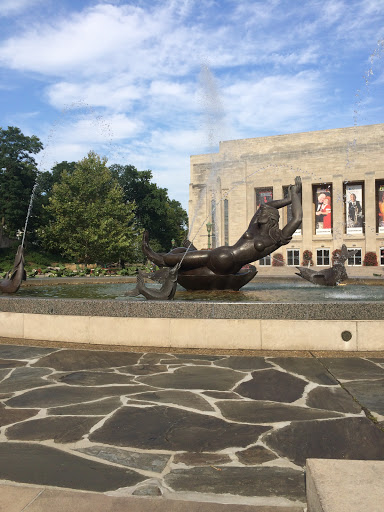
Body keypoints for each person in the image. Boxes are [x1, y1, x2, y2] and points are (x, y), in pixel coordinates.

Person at [143, 177, 302, 275]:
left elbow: (297, 218)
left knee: (180, 258)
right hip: (227, 263)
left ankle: (157, 257)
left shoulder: (276, 238)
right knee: (182, 256)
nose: (260, 214)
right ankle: (182, 252)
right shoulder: (254, 229)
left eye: (265, 215)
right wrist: (288, 199)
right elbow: (265, 206)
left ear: (272, 219)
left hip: (224, 258)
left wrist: (295, 195)